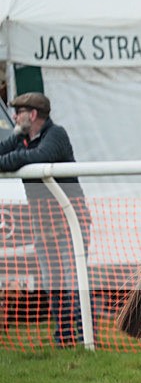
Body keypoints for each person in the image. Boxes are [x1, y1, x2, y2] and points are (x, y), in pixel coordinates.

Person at [0, 92, 91, 347]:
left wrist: (15, 158)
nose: (14, 117)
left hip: (70, 223)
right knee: (54, 285)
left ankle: (87, 338)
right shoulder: (22, 139)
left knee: (75, 284)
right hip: (43, 225)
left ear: (32, 115)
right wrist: (16, 141)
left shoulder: (56, 134)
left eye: (18, 112)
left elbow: (37, 157)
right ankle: (64, 339)